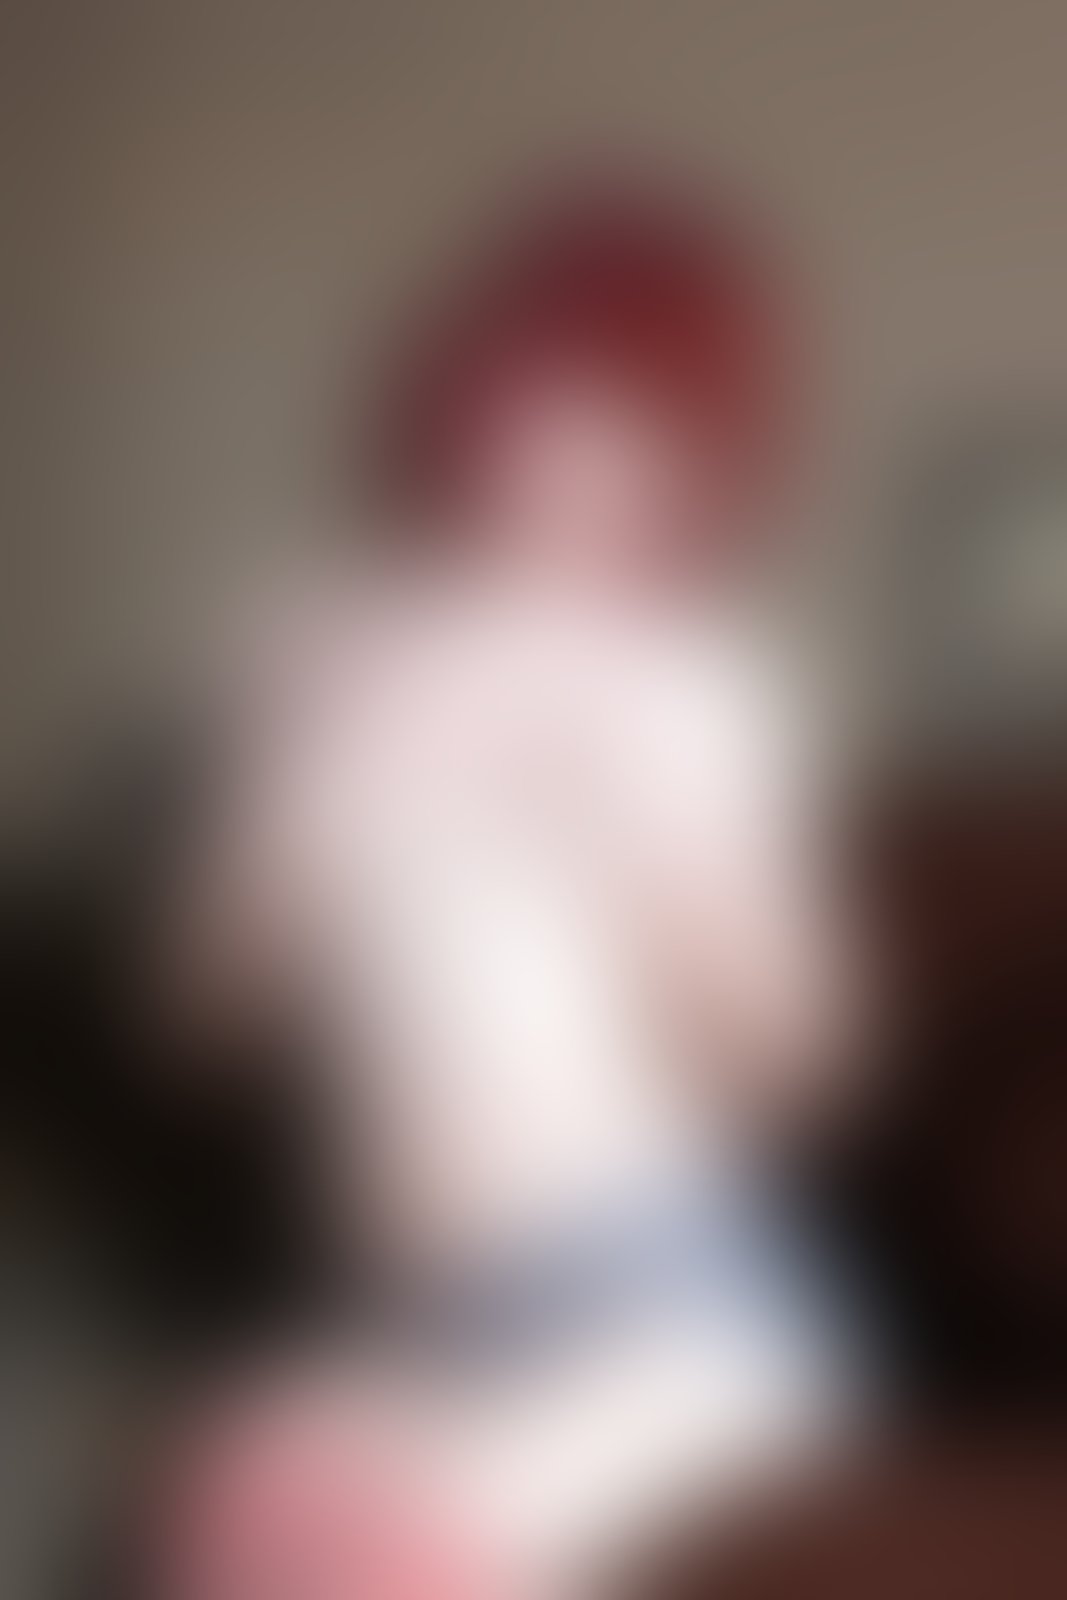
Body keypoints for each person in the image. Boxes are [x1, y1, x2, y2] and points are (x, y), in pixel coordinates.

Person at [154, 178, 873, 1600]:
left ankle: (464, 1523)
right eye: (554, 390)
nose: (584, 454)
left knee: (456, 1521)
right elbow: (201, 1021)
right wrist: (302, 809)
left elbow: (801, 1069)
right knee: (253, 1471)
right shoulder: (320, 645)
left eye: (652, 424)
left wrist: (667, 850)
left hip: (670, 1280)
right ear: (471, 391)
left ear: (707, 461)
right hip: (419, 1317)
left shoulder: (698, 679)